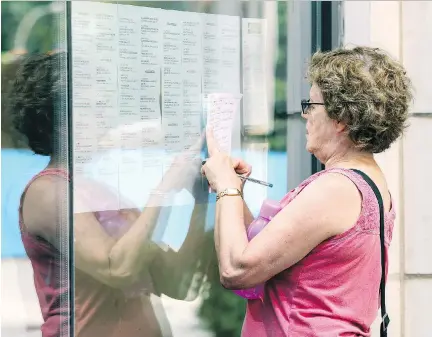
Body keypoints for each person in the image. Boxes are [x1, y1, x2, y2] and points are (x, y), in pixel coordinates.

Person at [201, 46, 413, 337]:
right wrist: (232, 189)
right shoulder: (369, 183)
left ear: (341, 119)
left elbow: (238, 269)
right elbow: (263, 252)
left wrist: (226, 186)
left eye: (312, 105)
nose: (305, 115)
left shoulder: (336, 189)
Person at [8, 52, 210, 337]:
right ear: (56, 116)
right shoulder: (48, 190)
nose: (103, 117)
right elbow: (118, 268)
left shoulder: (101, 192)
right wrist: (165, 189)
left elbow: (178, 284)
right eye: (90, 107)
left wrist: (198, 197)